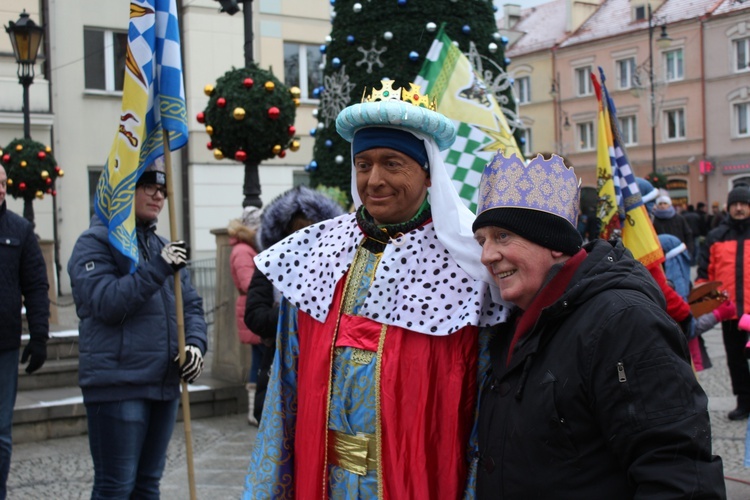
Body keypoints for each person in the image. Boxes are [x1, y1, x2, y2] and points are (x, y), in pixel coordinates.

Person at [243, 80, 506, 499]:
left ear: (428, 172)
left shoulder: (472, 268)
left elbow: (487, 406)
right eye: (363, 164)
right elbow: (284, 391)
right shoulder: (314, 255)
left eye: (392, 163)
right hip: (323, 478)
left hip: (422, 478)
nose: (374, 180)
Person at [472, 152, 725, 498]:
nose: (487, 255)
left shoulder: (624, 323)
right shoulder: (513, 319)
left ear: (554, 244)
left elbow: (677, 476)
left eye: (502, 236)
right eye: (482, 240)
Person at [68, 163, 208, 498]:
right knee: (115, 487)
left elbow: (190, 305)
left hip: (162, 383)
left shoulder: (161, 244)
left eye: (162, 189)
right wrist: (158, 267)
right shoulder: (93, 243)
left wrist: (196, 346)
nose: (159, 194)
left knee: (147, 486)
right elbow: (105, 302)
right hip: (118, 385)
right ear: (123, 191)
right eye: (148, 186)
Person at [243, 185, 344, 427]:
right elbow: (255, 316)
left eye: (312, 230)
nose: (305, 238)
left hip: (327, 371)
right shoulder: (270, 265)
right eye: (298, 231)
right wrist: (293, 314)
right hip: (280, 366)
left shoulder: (338, 268)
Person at [0, 165, 49, 500]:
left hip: (3, 346)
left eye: (2, 183)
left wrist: (40, 336)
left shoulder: (19, 229)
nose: (0, 189)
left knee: (0, 433)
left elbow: (35, 285)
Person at [698, 185, 750, 420]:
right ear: (729, 207)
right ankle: (744, 401)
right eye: (735, 204)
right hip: (728, 312)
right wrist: (705, 306)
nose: (739, 208)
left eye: (743, 204)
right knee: (736, 360)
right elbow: (704, 275)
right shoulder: (716, 236)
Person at [227, 206, 264, 425]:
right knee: (259, 360)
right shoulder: (243, 250)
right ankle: (254, 410)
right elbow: (248, 282)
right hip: (250, 307)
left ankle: (255, 409)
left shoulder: (247, 247)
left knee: (259, 360)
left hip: (250, 306)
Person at [651, 194, 694, 258]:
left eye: (665, 203)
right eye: (660, 204)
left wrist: (689, 251)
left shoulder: (679, 218)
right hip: (662, 254)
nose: (663, 206)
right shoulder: (654, 220)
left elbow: (688, 234)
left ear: (669, 205)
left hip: (679, 251)